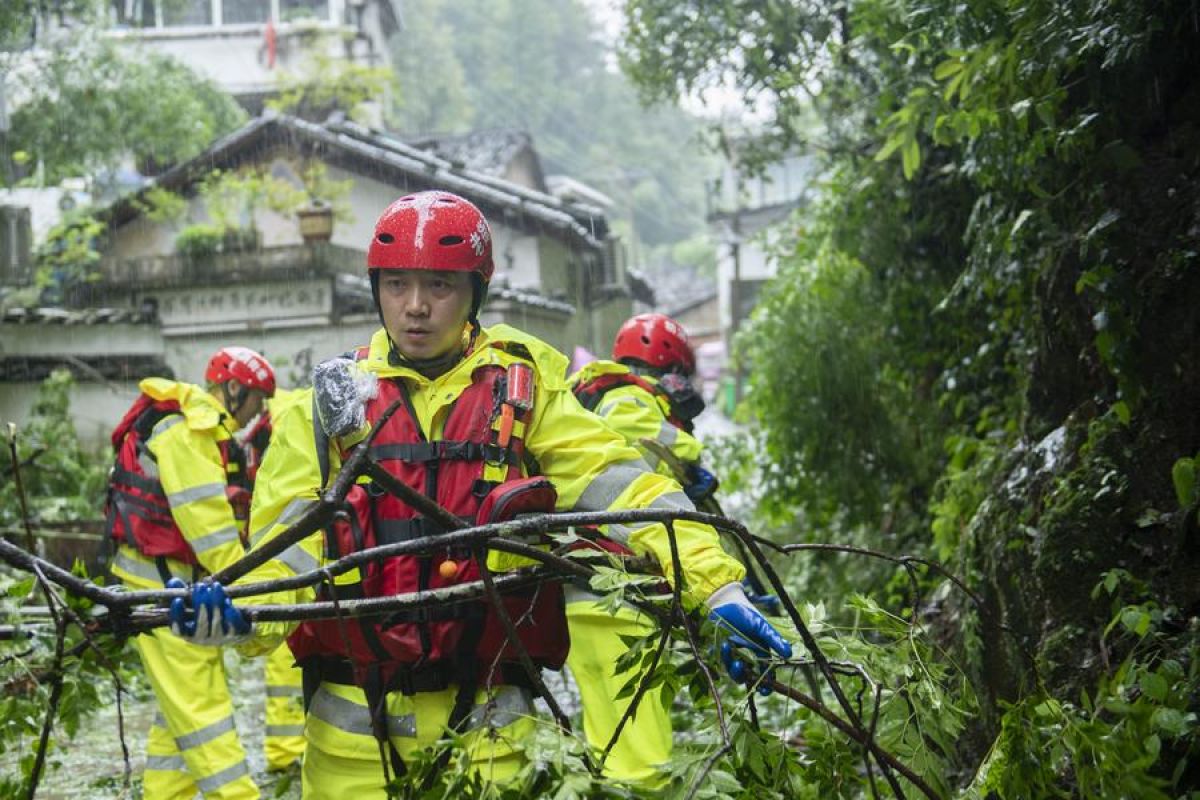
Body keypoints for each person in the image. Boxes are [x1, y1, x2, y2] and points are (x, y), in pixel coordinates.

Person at [168, 191, 792, 797]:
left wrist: (718, 585)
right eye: (396, 285)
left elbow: (625, 486)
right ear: (376, 289)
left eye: (439, 286)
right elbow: (286, 560)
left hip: (495, 741)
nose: (415, 307)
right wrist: (234, 616)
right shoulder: (325, 411)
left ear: (475, 294)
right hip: (351, 743)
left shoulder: (521, 391)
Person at [105, 346, 275, 800]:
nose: (259, 413)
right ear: (234, 388)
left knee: (177, 716)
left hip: (159, 580)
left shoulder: (187, 426)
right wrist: (254, 592)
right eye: (258, 399)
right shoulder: (190, 433)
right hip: (164, 586)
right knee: (202, 706)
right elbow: (211, 534)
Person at [239, 390, 307, 773]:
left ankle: (285, 750)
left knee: (283, 662)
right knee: (284, 662)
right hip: (285, 562)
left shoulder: (279, 423)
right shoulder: (290, 418)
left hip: (278, 557)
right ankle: (285, 752)